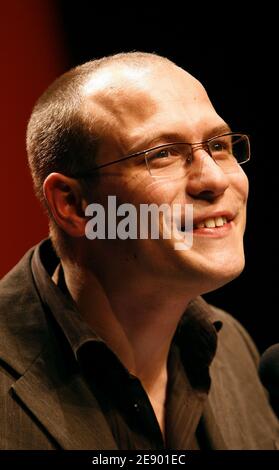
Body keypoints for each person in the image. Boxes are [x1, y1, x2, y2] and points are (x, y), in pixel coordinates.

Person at [0, 51, 278, 450]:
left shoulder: (235, 349)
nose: (214, 179)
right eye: (162, 154)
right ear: (75, 205)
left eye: (218, 145)